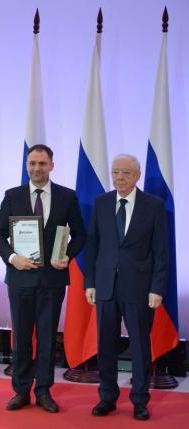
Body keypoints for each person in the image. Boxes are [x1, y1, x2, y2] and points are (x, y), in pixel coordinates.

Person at [0, 144, 85, 413]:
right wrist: (12, 258)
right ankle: (21, 390)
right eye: (32, 163)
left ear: (51, 165)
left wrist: (67, 255)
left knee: (47, 338)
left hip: (52, 280)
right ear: (26, 165)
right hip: (20, 278)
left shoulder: (67, 196)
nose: (36, 168)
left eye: (42, 163)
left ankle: (44, 390)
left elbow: (81, 234)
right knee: (21, 338)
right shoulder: (12, 195)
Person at [84, 154, 168, 421]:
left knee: (140, 346)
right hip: (105, 286)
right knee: (106, 344)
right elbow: (93, 245)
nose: (119, 177)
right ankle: (107, 397)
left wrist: (157, 288)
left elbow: (161, 251)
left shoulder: (153, 205)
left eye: (125, 173)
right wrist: (90, 282)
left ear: (137, 176)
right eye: (115, 172)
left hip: (139, 288)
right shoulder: (101, 202)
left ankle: (140, 400)